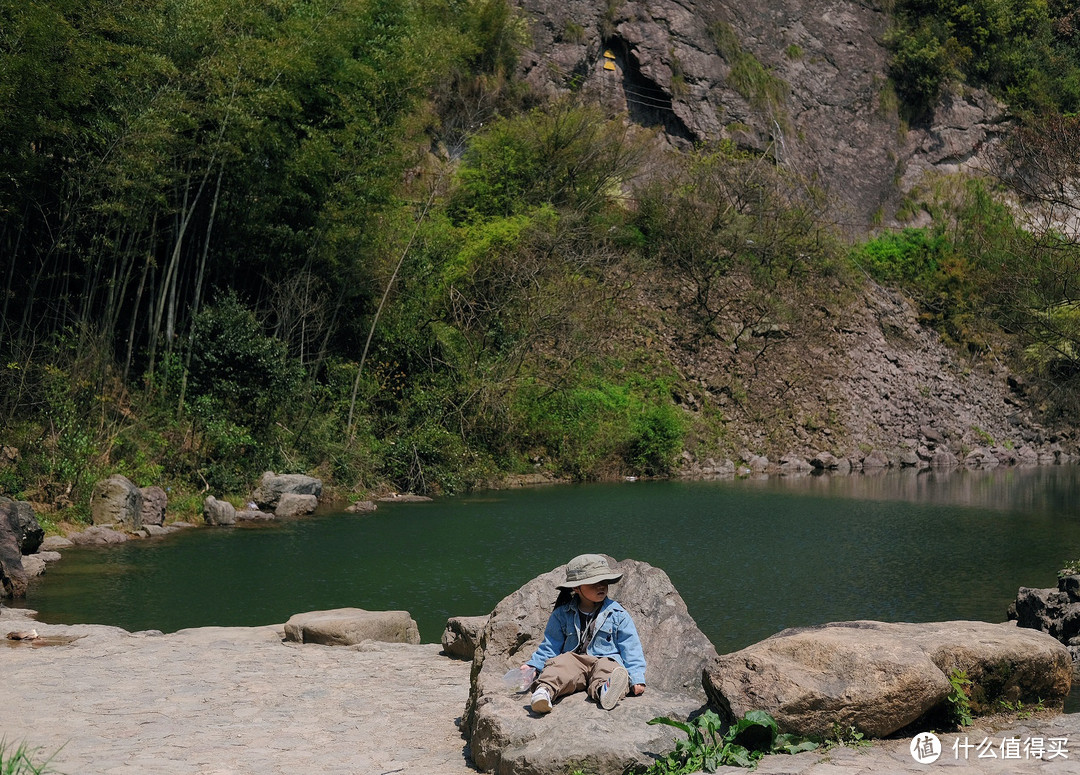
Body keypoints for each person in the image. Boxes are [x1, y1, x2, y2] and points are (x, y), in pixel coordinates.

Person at [522, 554, 647, 713]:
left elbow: (631, 647)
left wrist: (637, 678)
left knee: (610, 669)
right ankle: (543, 692)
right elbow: (551, 645)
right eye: (594, 583)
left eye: (604, 582)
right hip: (575, 660)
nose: (601, 586)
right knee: (559, 666)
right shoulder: (562, 614)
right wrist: (533, 665)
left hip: (604, 658)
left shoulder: (617, 614)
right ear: (576, 587)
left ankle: (605, 691)